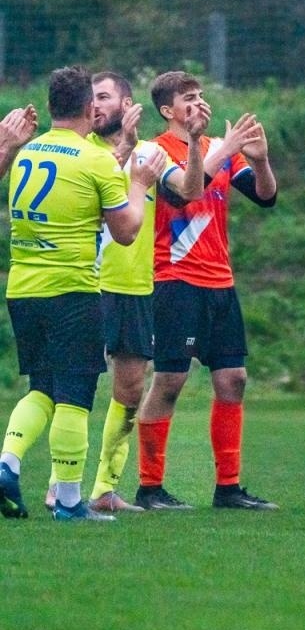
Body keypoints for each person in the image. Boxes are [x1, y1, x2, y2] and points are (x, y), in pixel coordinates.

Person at [0, 67, 158, 521]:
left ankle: (8, 463)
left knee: (42, 387)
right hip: (71, 290)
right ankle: (69, 501)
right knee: (75, 394)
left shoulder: (28, 151)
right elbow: (126, 231)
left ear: (50, 107)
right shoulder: (95, 161)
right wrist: (139, 184)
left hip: (22, 287)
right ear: (91, 109)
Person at [134, 71, 279, 511]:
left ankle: (229, 488)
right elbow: (185, 194)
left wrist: (259, 161)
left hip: (220, 282)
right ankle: (149, 486)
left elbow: (266, 197)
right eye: (188, 98)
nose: (198, 103)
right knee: (171, 380)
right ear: (167, 110)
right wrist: (222, 149)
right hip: (176, 281)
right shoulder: (154, 151)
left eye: (200, 96)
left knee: (233, 380)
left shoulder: (220, 146)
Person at [80, 71, 167, 514]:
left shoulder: (152, 153)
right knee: (70, 384)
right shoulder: (82, 151)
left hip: (134, 287)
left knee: (130, 392)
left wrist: (198, 142)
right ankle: (62, 486)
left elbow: (189, 191)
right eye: (91, 98)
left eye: (104, 97)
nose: (95, 105)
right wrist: (125, 150)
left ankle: (104, 489)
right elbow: (98, 195)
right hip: (86, 284)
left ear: (127, 103)